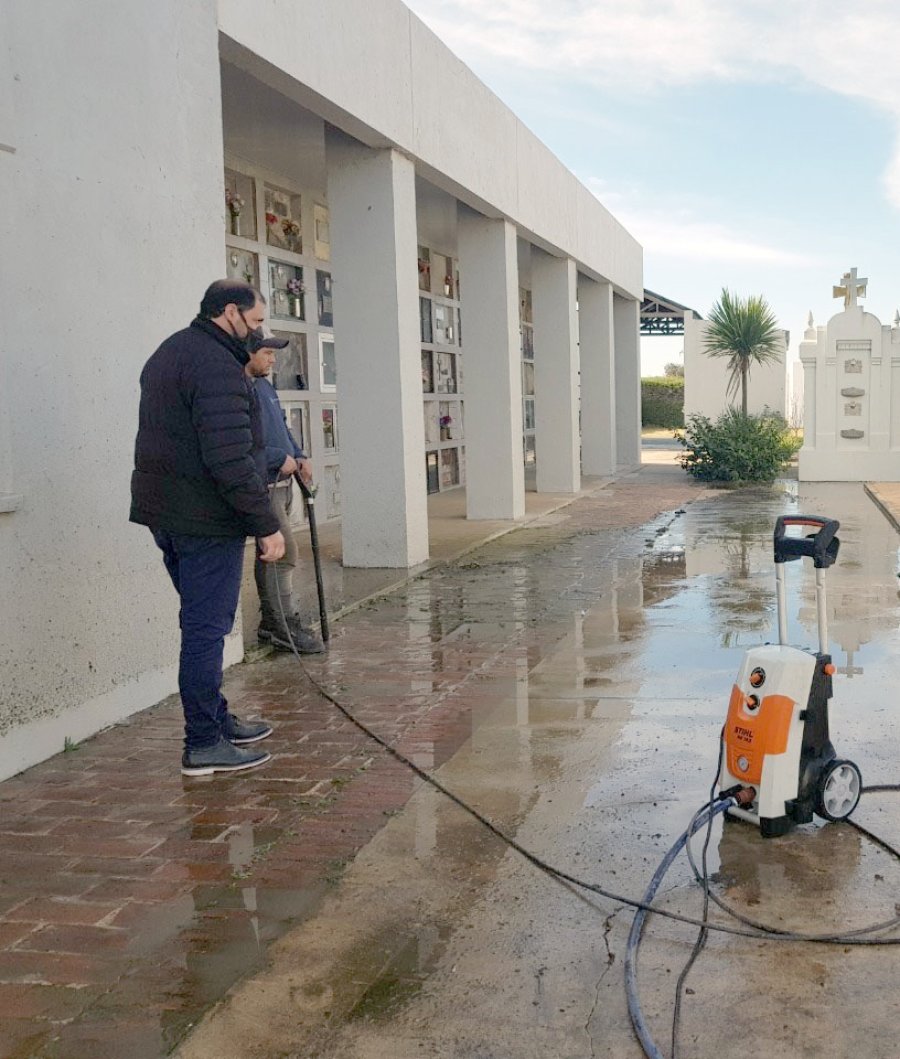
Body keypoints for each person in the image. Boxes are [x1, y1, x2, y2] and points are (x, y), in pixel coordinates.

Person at [130, 279, 285, 776]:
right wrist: (266, 525)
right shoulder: (216, 366)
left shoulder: (171, 350)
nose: (259, 332)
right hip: (203, 520)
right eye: (256, 321)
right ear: (229, 313)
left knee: (200, 624)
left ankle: (217, 721)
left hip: (169, 516)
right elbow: (230, 460)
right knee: (205, 631)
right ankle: (202, 743)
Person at [244, 332, 326, 654]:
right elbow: (249, 445)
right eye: (266, 352)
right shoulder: (241, 388)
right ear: (247, 353)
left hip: (283, 481)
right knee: (284, 553)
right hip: (263, 482)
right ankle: (281, 624)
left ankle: (271, 622)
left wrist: (299, 454)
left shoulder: (264, 385)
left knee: (271, 554)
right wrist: (281, 458)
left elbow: (281, 426)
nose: (273, 359)